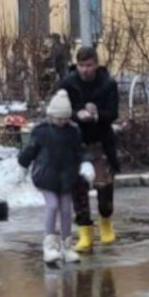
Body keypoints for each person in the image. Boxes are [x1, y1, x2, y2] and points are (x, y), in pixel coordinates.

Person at [59, 46, 121, 253]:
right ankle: (85, 231)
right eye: (81, 65)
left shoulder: (107, 84)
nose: (85, 70)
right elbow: (60, 111)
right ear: (76, 65)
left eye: (89, 65)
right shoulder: (68, 84)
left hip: (100, 140)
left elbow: (113, 113)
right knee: (78, 188)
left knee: (104, 186)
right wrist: (77, 115)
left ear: (96, 64)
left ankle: (106, 222)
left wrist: (96, 115)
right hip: (75, 142)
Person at [19, 89, 88, 267]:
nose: (63, 122)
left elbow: (80, 151)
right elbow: (30, 150)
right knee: (52, 205)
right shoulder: (41, 131)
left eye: (66, 118)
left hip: (66, 178)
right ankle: (49, 246)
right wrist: (23, 164)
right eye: (60, 118)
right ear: (51, 115)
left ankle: (66, 246)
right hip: (46, 177)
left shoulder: (73, 132)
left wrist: (86, 164)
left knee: (66, 210)